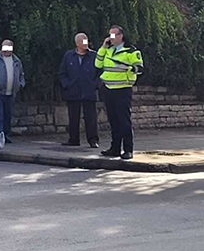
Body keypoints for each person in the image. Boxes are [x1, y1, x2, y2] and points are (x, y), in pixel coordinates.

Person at [95, 26, 143, 160]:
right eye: (109, 35)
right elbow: (98, 64)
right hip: (109, 89)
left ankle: (128, 149)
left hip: (123, 89)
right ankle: (115, 148)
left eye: (113, 35)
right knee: (113, 120)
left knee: (124, 120)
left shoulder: (131, 51)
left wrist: (130, 68)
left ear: (121, 36)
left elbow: (139, 68)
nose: (110, 38)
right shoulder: (108, 50)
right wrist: (103, 47)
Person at [58, 33, 100, 148]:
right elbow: (62, 72)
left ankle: (93, 140)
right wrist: (67, 84)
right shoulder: (69, 56)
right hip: (73, 91)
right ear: (77, 43)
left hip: (89, 91)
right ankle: (73, 139)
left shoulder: (94, 55)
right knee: (73, 117)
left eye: (86, 41)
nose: (85, 43)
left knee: (91, 117)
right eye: (82, 41)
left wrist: (96, 85)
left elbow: (100, 72)